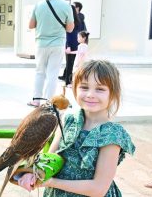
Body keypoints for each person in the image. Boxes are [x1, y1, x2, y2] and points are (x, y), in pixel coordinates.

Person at [18, 60, 136, 196]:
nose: (90, 94)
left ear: (113, 94)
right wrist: (32, 174)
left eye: (100, 89)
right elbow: (50, 159)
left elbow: (98, 189)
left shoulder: (112, 135)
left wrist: (51, 182)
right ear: (74, 89)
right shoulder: (68, 120)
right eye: (84, 87)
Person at [27, 0, 74, 107]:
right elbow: (70, 29)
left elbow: (31, 25)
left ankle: (36, 100)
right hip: (57, 44)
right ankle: (49, 102)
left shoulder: (39, 5)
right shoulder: (66, 6)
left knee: (39, 72)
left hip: (41, 44)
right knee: (52, 73)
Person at [58, 5, 80, 87]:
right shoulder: (77, 20)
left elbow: (69, 35)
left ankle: (68, 82)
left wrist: (68, 46)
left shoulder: (69, 21)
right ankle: (67, 79)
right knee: (70, 63)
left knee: (69, 64)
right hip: (75, 43)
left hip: (70, 44)